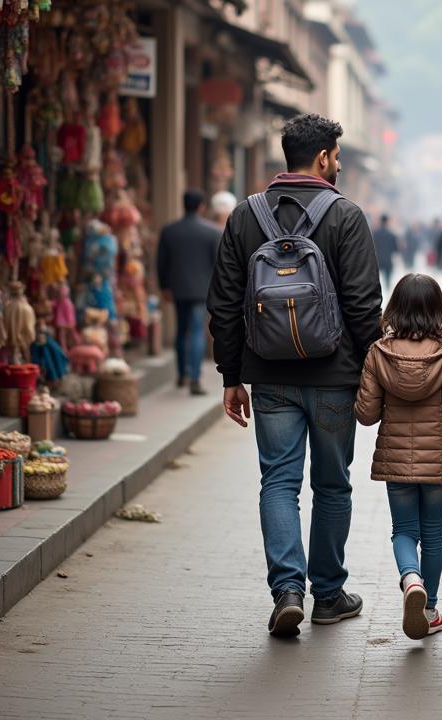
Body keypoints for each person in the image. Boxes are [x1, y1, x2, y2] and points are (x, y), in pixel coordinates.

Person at [207, 113, 382, 638]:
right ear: (324, 158)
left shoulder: (244, 216)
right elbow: (363, 305)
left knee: (278, 482)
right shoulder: (346, 215)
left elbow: (224, 303)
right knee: (332, 485)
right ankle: (327, 594)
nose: (340, 164)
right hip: (335, 377)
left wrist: (231, 376)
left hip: (271, 377)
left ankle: (287, 590)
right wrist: (373, 372)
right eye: (337, 156)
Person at [355, 273, 442, 640]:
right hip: (437, 460)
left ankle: (410, 579)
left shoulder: (379, 353)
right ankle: (430, 607)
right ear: (438, 311)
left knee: (404, 531)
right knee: (434, 534)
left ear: (396, 309)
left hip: (395, 459)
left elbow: (365, 414)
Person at [156, 190, 221, 395]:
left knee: (181, 330)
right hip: (201, 290)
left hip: (177, 289)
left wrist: (164, 286)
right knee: (196, 332)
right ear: (201, 206)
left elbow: (161, 262)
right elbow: (218, 264)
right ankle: (194, 378)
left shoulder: (169, 230)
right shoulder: (212, 232)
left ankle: (182, 374)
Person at [373, 214, 400, 291]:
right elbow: (396, 249)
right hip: (388, 260)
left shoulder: (375, 234)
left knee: (377, 279)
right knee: (387, 279)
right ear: (387, 222)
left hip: (377, 260)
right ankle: (387, 290)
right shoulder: (391, 235)